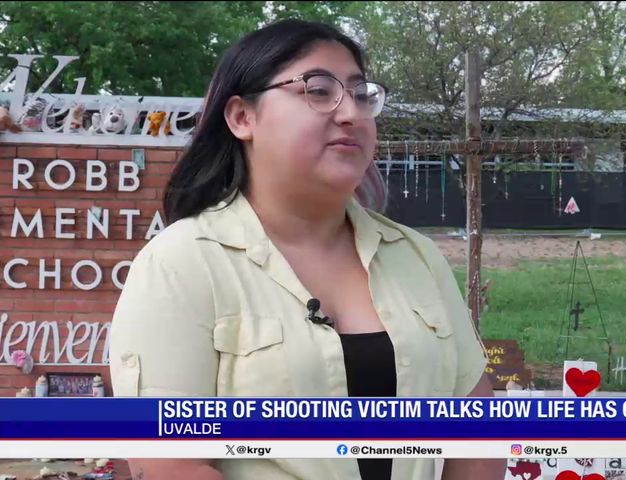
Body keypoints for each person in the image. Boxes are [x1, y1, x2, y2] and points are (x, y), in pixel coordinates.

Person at [109, 19, 505, 480]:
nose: (351, 113)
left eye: (361, 95)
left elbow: (475, 431)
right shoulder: (182, 263)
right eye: (318, 90)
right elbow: (169, 464)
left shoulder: (416, 256)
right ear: (242, 117)